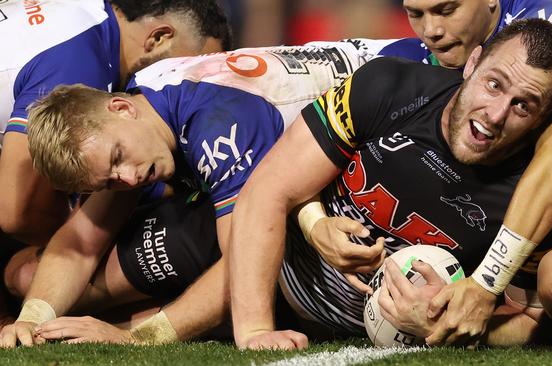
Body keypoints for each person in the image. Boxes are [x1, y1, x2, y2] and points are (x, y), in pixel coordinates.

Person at [0, 40, 389, 347]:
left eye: (118, 158)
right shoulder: (143, 106)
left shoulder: (215, 126)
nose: (129, 179)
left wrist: (140, 338)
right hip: (347, 144)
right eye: (108, 181)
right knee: (29, 276)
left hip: (404, 116)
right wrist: (31, 320)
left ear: (120, 107)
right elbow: (81, 239)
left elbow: (244, 265)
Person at [308, 0, 552, 345]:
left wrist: (486, 283)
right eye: (415, 13)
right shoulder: (417, 64)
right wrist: (312, 220)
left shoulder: (547, 26)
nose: (432, 30)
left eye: (446, 9)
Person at [229, 18, 552, 350]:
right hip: (276, 280)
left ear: (543, 120)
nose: (496, 113)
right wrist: (257, 329)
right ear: (472, 64)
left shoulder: (542, 200)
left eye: (522, 106)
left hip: (369, 339)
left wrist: (450, 326)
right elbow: (268, 188)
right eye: (494, 84)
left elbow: (533, 319)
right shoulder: (388, 86)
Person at [0, 0, 232, 247]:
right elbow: (19, 215)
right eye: (189, 69)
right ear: (159, 38)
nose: (193, 87)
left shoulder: (83, 17)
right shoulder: (80, 66)